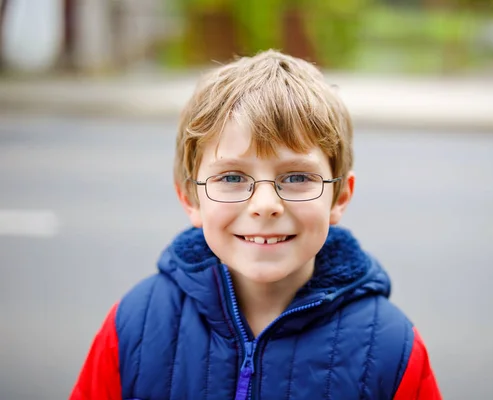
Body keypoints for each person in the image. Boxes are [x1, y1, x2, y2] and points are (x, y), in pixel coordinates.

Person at [70, 50, 442, 400]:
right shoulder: (134, 324)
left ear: (340, 196)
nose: (265, 205)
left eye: (297, 177)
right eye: (232, 178)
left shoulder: (391, 347)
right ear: (190, 198)